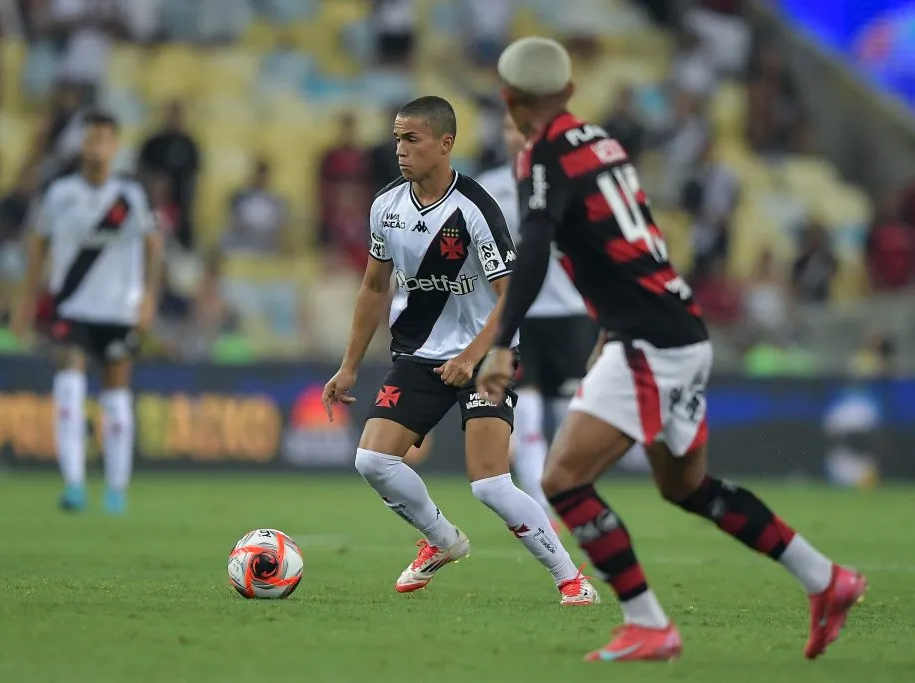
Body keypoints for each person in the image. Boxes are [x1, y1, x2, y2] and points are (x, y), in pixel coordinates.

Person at [477, 37, 866, 662]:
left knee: (563, 481)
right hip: (677, 325)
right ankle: (825, 578)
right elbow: (626, 241)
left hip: (650, 341)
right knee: (688, 487)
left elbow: (535, 249)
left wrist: (502, 345)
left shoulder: (542, 157)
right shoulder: (600, 142)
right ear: (570, 91)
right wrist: (609, 326)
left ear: (509, 98)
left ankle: (648, 623)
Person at [320, 96, 597, 605]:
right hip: (420, 353)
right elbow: (374, 287)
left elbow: (511, 294)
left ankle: (571, 579)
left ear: (445, 143)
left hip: (486, 355)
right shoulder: (386, 205)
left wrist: (472, 357)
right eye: (397, 139)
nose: (400, 150)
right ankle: (441, 539)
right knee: (372, 460)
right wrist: (349, 366)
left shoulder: (475, 208)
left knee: (490, 485)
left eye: (412, 139)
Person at [12, 111, 162, 515]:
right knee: (69, 386)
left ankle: (116, 489)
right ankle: (74, 484)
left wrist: (148, 298)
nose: (97, 147)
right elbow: (38, 247)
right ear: (82, 144)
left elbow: (154, 244)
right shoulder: (59, 194)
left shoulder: (131, 195)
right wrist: (25, 303)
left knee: (116, 397)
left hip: (118, 310)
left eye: (105, 139)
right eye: (92, 138)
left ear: (115, 146)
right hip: (73, 307)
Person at [476, 113, 598, 530]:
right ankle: (544, 506)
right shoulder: (488, 188)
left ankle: (568, 494)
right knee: (524, 414)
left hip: (569, 314)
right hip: (517, 315)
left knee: (569, 418)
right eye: (511, 128)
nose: (519, 136)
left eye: (526, 127)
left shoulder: (570, 181)